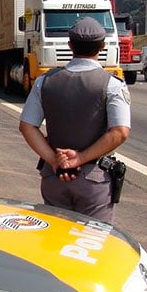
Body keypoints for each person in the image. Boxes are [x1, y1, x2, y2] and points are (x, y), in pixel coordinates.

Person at [18, 17, 131, 222]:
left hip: (55, 177)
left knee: (55, 240)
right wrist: (80, 159)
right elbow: (119, 132)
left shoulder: (45, 81)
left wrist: (54, 160)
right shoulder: (112, 84)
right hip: (94, 180)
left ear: (70, 46)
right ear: (103, 46)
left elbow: (27, 126)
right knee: (92, 243)